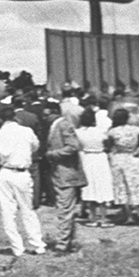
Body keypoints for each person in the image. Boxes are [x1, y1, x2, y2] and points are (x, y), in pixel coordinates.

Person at [0, 106, 46, 256]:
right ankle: (37, 244)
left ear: (1, 120)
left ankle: (17, 247)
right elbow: (35, 146)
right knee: (27, 209)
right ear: (16, 118)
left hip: (5, 172)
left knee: (8, 211)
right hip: (22, 172)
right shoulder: (27, 132)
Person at [45, 102, 87, 254]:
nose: (45, 117)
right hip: (59, 173)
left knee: (64, 210)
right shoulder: (55, 126)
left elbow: (73, 146)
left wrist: (53, 154)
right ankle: (68, 240)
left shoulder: (64, 125)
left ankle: (62, 245)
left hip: (67, 173)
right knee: (65, 209)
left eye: (47, 113)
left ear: (55, 112)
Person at [105, 108, 139, 225]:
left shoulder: (112, 131)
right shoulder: (135, 129)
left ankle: (128, 215)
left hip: (119, 158)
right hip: (133, 158)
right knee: (138, 185)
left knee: (122, 187)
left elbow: (108, 145)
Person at [75, 108, 114, 227]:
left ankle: (92, 218)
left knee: (90, 186)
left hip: (87, 157)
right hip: (100, 157)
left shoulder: (78, 132)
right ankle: (102, 218)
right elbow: (108, 144)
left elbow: (78, 146)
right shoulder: (101, 131)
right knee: (102, 185)